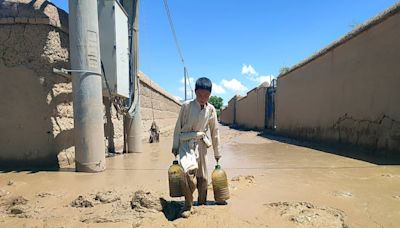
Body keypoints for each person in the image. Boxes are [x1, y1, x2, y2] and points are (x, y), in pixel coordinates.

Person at [172, 77, 221, 218]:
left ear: (210, 95)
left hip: (201, 144)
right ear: (195, 92)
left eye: (206, 95)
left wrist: (217, 153)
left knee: (203, 178)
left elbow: (215, 132)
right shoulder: (186, 106)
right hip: (186, 144)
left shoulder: (211, 110)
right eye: (199, 94)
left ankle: (202, 202)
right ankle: (188, 204)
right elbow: (177, 128)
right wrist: (175, 146)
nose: (202, 98)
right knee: (188, 173)